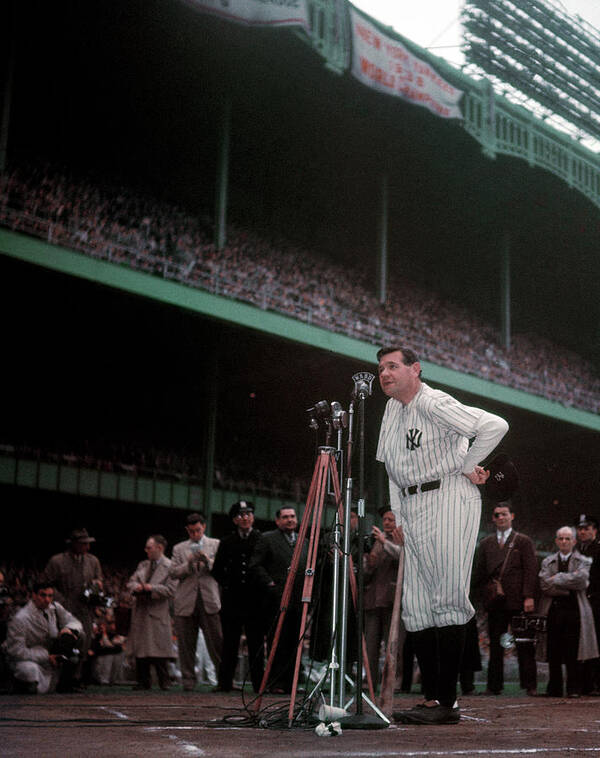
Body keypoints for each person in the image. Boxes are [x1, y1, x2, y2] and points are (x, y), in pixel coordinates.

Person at [375, 345, 509, 725]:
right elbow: (390, 466)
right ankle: (431, 698)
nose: (384, 373)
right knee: (417, 606)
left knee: (448, 597)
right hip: (411, 503)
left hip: (447, 496)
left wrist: (468, 463)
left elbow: (495, 425)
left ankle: (448, 702)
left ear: (415, 369)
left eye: (392, 366)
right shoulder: (391, 409)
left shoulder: (434, 401)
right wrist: (397, 513)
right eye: (381, 368)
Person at [474, 503, 538, 696]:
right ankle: (494, 686)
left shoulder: (523, 541)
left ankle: (530, 685)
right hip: (496, 601)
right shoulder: (486, 543)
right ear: (492, 519)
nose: (501, 518)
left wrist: (529, 596)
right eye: (497, 515)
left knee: (524, 643)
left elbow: (531, 570)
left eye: (504, 514)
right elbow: (480, 573)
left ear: (512, 516)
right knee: (495, 644)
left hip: (518, 600)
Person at [250, 506, 307, 693]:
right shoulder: (267, 539)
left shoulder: (305, 542)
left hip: (299, 601)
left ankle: (292, 682)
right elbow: (255, 565)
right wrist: (270, 584)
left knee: (295, 642)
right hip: (275, 601)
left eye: (292, 516)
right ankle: (275, 682)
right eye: (285, 517)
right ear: (277, 521)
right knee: (277, 641)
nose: (289, 520)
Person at [538, 526, 598, 697]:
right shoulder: (547, 561)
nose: (564, 541)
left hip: (576, 611)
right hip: (553, 610)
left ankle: (574, 688)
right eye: (561, 538)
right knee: (553, 650)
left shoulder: (584, 561)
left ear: (574, 541)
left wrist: (556, 578)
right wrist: (567, 586)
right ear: (556, 541)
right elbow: (544, 585)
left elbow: (582, 582)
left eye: (567, 538)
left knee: (574, 651)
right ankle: (554, 688)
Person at [212, 500, 264, 692]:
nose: (245, 518)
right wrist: (228, 584)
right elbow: (217, 569)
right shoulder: (227, 542)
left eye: (249, 514)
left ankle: (259, 684)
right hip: (232, 600)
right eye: (241, 515)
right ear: (234, 519)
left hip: (255, 600)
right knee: (230, 643)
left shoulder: (261, 538)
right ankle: (224, 683)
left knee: (256, 643)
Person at [42, 527, 103, 689]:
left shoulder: (93, 561)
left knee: (84, 645)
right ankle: (61, 679)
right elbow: (46, 583)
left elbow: (99, 581)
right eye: (83, 544)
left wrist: (95, 588)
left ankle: (77, 678)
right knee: (66, 643)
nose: (87, 547)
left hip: (85, 609)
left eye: (87, 544)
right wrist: (61, 600)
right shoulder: (57, 561)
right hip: (64, 610)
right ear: (73, 544)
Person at [169, 513, 222, 692]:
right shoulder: (179, 549)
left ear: (204, 527)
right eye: (191, 531)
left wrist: (208, 561)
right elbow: (173, 572)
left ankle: (223, 680)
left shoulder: (215, 544)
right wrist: (189, 564)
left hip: (209, 600)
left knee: (216, 642)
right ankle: (188, 681)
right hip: (186, 601)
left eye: (198, 530)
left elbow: (223, 568)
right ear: (187, 530)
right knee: (186, 645)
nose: (195, 534)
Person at [4, 581, 83, 694]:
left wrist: (69, 629)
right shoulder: (20, 619)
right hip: (30, 660)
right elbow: (16, 651)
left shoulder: (54, 608)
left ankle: (67, 683)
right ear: (34, 595)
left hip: (53, 657)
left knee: (79, 641)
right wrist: (47, 656)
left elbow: (75, 622)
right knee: (29, 670)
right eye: (43, 595)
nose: (47, 600)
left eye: (50, 596)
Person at [127, 534, 177, 690]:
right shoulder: (143, 565)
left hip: (158, 613)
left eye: (149, 547)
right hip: (141, 613)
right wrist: (137, 588)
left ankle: (164, 681)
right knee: (141, 651)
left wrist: (151, 588)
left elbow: (171, 590)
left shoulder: (170, 566)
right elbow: (131, 582)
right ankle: (143, 681)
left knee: (159, 652)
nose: (146, 550)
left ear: (159, 548)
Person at [364, 507, 403, 690]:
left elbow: (403, 557)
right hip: (373, 600)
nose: (387, 523)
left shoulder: (402, 539)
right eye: (385, 519)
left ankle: (392, 682)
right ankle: (370, 682)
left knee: (393, 646)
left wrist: (383, 542)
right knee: (371, 646)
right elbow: (367, 569)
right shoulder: (375, 541)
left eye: (391, 519)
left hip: (393, 600)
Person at [574, 514, 600, 695]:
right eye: (580, 528)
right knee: (580, 643)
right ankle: (584, 684)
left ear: (595, 531)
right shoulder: (575, 549)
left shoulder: (598, 549)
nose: (583, 532)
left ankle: (597, 684)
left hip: (596, 601)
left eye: (587, 528)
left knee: (597, 643)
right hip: (579, 601)